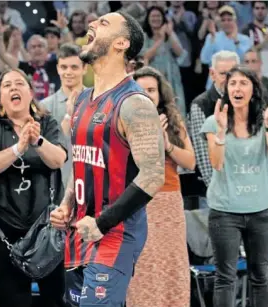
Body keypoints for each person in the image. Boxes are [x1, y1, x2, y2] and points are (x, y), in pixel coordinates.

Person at [50, 12, 165, 307]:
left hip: (114, 233)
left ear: (121, 43)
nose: (92, 24)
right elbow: (81, 165)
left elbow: (153, 176)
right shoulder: (81, 99)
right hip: (79, 232)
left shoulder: (135, 103)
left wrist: (102, 222)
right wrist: (66, 205)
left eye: (103, 23)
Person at [0, 68, 68, 307]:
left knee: (54, 301)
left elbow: (58, 159)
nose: (14, 88)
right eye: (7, 85)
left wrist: (37, 141)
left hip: (46, 230)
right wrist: (19, 147)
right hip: (3, 232)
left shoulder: (47, 123)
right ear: (0, 97)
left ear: (30, 92)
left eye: (19, 83)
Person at [200, 65, 268, 307]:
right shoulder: (213, 121)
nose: (237, 88)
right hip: (225, 211)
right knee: (225, 277)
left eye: (243, 83)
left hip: (259, 210)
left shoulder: (263, 120)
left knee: (260, 276)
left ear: (253, 90)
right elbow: (216, 163)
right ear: (226, 89)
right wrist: (221, 132)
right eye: (233, 83)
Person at [127, 66, 195, 307]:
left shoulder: (174, 121)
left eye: (151, 90)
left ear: (160, 94)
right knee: (143, 266)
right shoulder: (122, 121)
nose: (146, 94)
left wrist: (167, 145)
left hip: (169, 202)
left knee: (171, 263)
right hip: (137, 202)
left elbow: (190, 161)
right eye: (140, 90)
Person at [189, 51, 239, 208]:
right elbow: (204, 158)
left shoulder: (248, 101)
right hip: (217, 194)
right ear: (212, 74)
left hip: (246, 188)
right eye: (224, 74)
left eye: (233, 73)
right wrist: (220, 194)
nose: (229, 79)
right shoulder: (201, 105)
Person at [41, 43, 87, 188]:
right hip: (58, 182)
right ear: (57, 69)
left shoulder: (98, 100)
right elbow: (44, 149)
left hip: (92, 180)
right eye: (64, 67)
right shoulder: (44, 107)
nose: (68, 72)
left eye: (74, 67)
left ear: (84, 69)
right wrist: (68, 116)